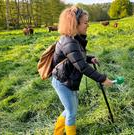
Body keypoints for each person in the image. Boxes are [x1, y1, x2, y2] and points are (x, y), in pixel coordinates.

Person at [51, 6, 113, 135]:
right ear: (75, 24)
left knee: (70, 108)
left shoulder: (74, 39)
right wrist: (102, 78)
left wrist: (90, 59)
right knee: (72, 112)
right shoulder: (69, 42)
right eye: (85, 22)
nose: (88, 25)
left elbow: (76, 58)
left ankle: (57, 132)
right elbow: (82, 66)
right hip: (62, 82)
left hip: (68, 80)